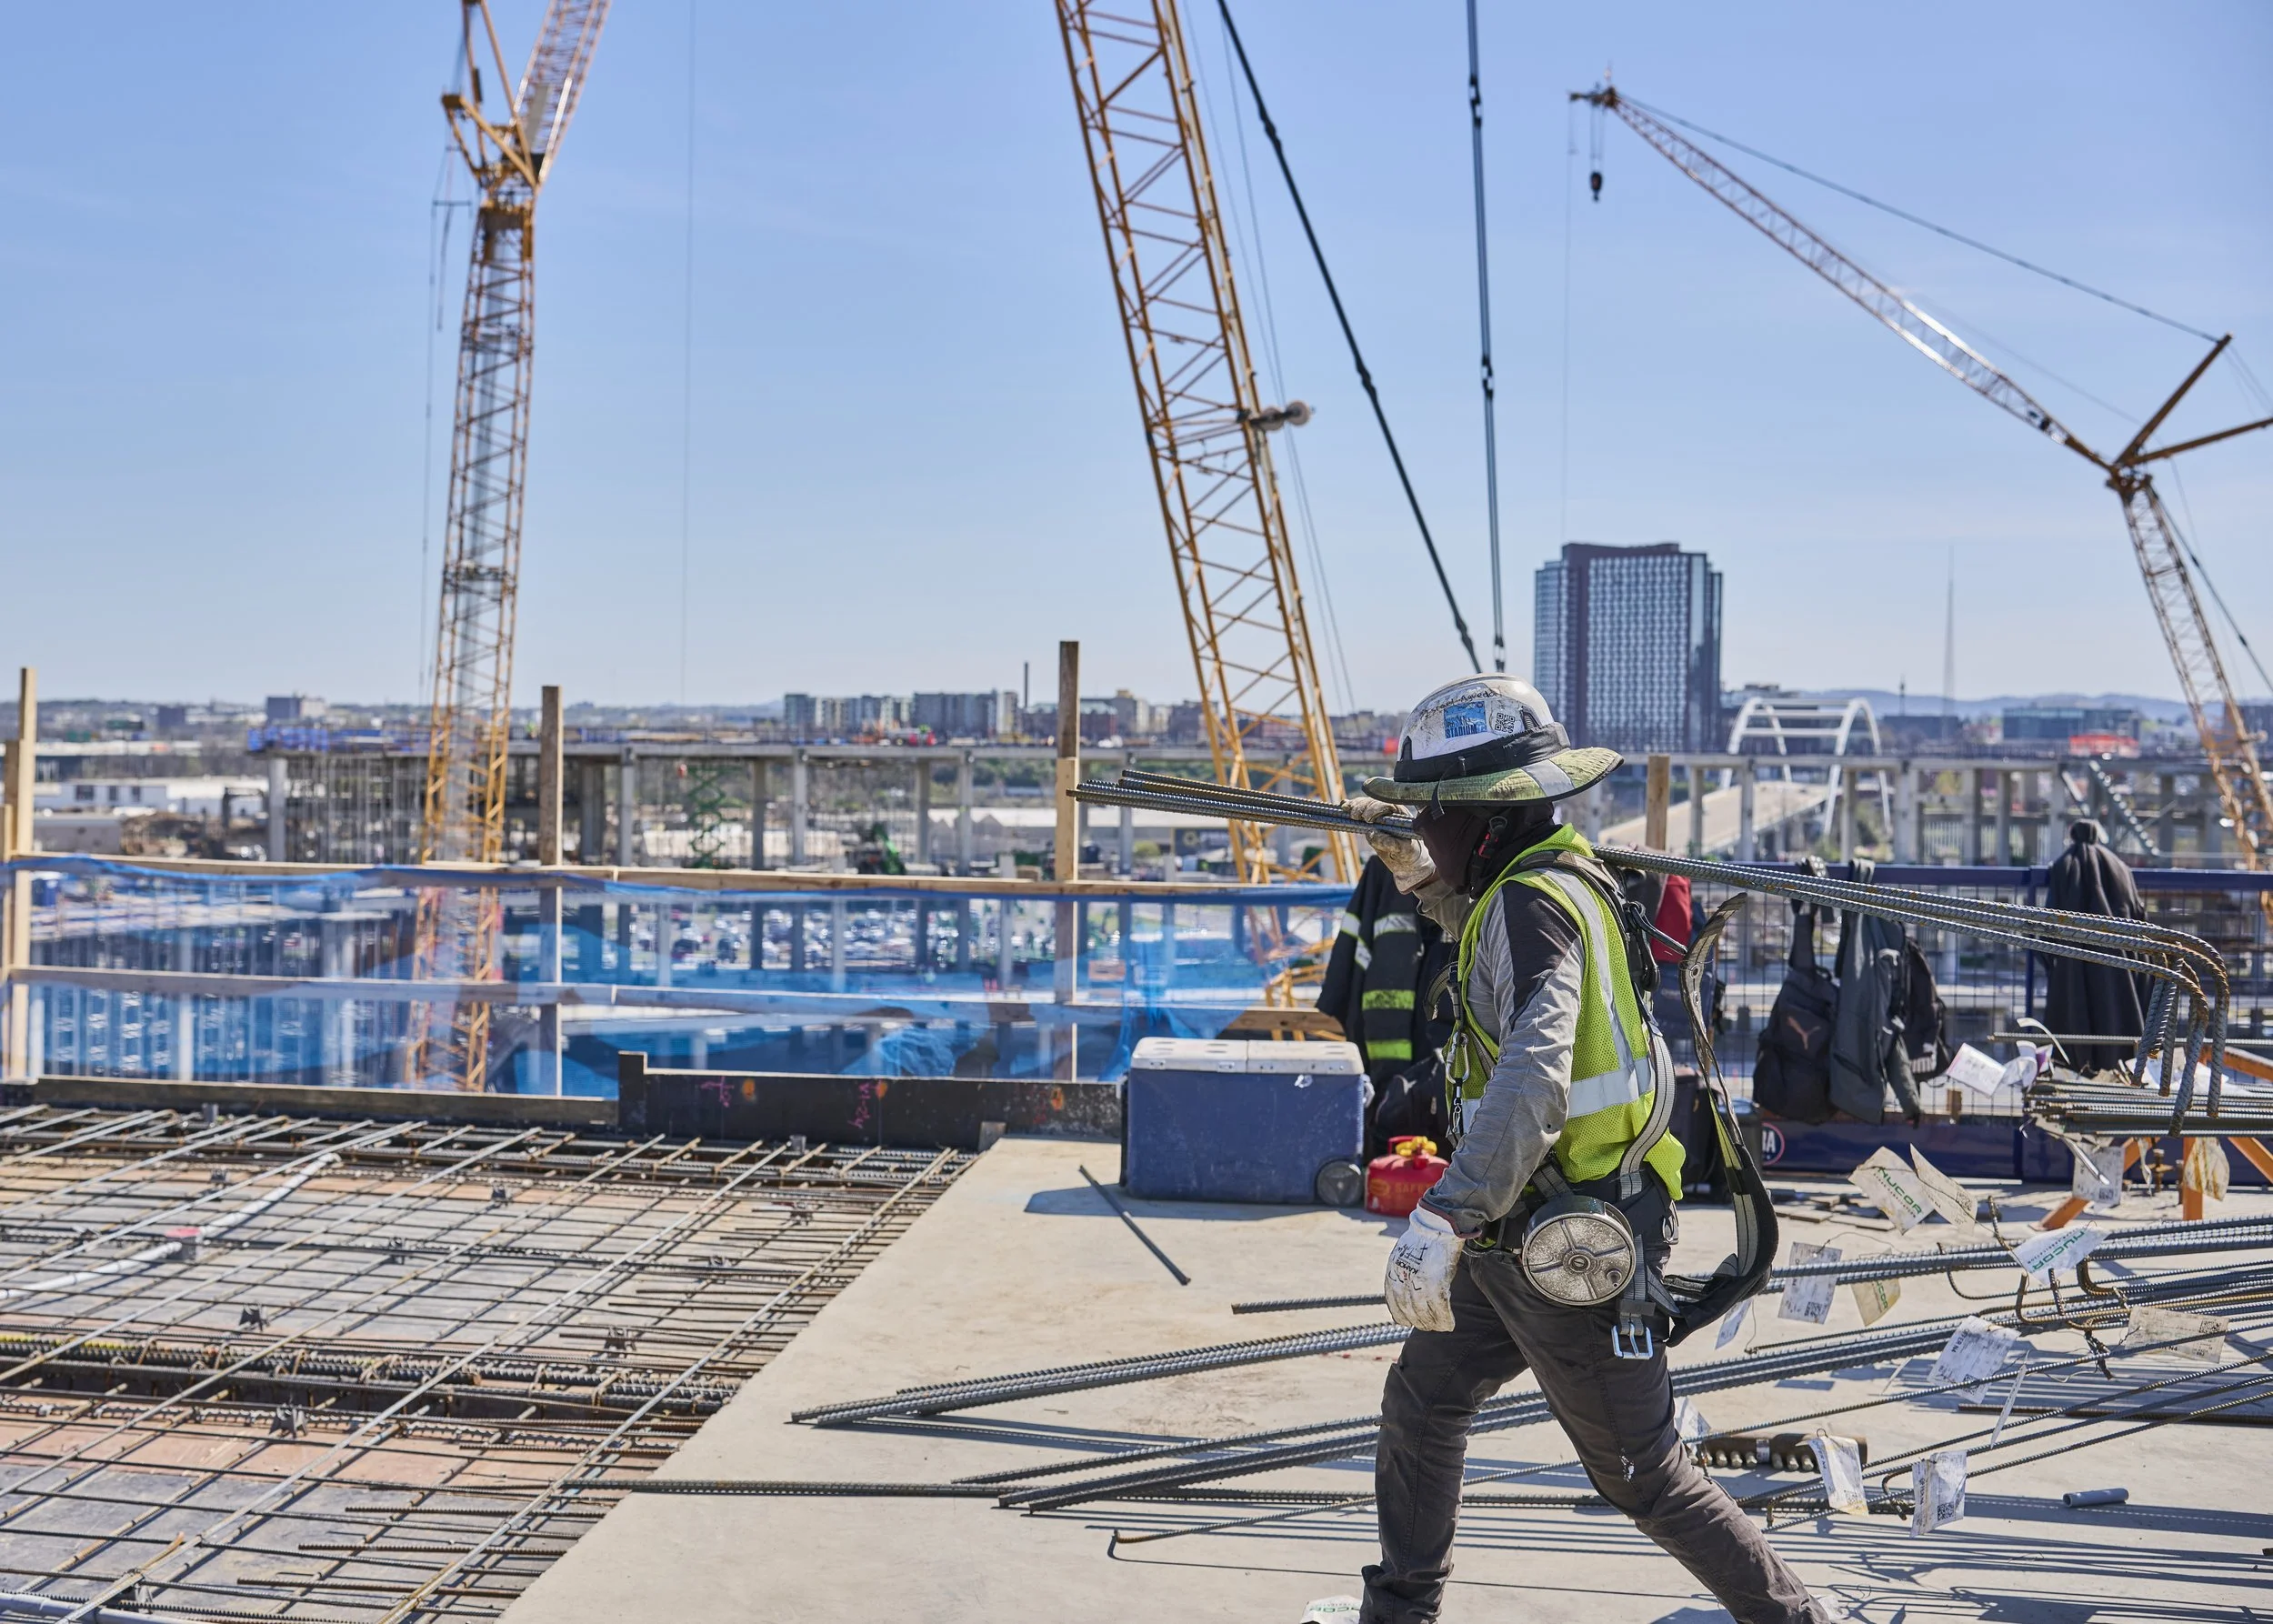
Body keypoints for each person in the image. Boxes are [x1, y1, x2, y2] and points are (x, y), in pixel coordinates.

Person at [1327, 675, 1829, 1624]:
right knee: (1423, 1404)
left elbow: (1534, 1074)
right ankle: (1398, 1613)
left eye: (1433, 815)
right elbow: (1493, 958)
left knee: (1647, 1475)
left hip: (1565, 1246)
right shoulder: (1554, 883)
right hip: (1524, 1226)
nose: (1423, 827)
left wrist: (1446, 1214)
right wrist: (1420, 876)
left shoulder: (1533, 904)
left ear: (1484, 818)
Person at [1319, 854, 1455, 1156]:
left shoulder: (1390, 867)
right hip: (1405, 1066)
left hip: (1410, 1058)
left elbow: (1344, 978)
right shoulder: (1387, 867)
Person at [2043, 818, 2148, 1071]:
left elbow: (2047, 926)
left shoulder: (2064, 865)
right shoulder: (2121, 868)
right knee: (2120, 1023)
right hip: (2123, 968)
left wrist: (2051, 964)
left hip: (2073, 965)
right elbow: (2140, 918)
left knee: (2071, 1027)